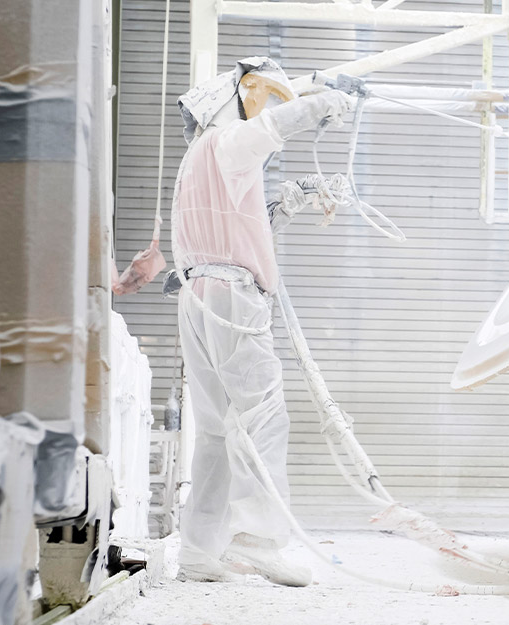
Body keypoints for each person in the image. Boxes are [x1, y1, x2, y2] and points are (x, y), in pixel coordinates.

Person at [170, 57, 351, 586]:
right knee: (263, 414)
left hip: (199, 295)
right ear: (235, 99)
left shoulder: (197, 165)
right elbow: (272, 128)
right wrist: (327, 102)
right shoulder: (226, 143)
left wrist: (295, 197)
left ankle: (200, 551)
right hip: (232, 295)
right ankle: (261, 538)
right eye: (256, 97)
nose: (263, 107)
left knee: (214, 429)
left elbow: (241, 225)